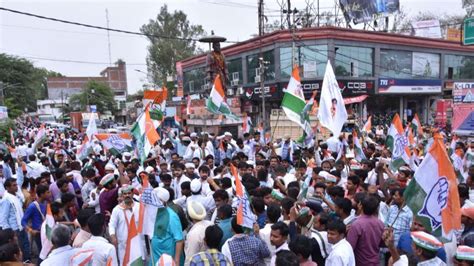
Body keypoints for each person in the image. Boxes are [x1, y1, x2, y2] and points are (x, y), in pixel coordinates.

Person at [149, 187, 184, 266]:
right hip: (155, 257)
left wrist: (177, 261)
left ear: (163, 201)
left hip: (168, 259)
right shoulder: (154, 213)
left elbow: (179, 240)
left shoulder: (172, 216)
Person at [346, 195, 384, 266]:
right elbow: (382, 243)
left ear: (360, 206)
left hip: (360, 262)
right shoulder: (380, 223)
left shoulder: (357, 224)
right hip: (375, 262)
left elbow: (350, 247)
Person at [108, 185, 142, 265]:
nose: (127, 195)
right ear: (122, 196)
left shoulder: (139, 206)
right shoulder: (117, 209)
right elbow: (112, 224)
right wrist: (113, 236)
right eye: (125, 194)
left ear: (132, 194)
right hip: (124, 244)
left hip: (138, 242)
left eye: (129, 193)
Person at [0, 178, 29, 263]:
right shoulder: (6, 199)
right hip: (14, 230)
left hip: (21, 226)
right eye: (14, 185)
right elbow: (3, 219)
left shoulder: (16, 196)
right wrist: (10, 233)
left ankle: (27, 262)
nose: (16, 187)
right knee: (18, 250)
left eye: (16, 185)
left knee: (25, 246)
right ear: (7, 188)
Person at [21, 184, 50, 256]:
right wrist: (30, 230)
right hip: (38, 233)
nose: (49, 194)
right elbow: (23, 221)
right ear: (42, 194)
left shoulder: (46, 203)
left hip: (46, 231)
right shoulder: (32, 206)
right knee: (42, 253)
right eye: (47, 192)